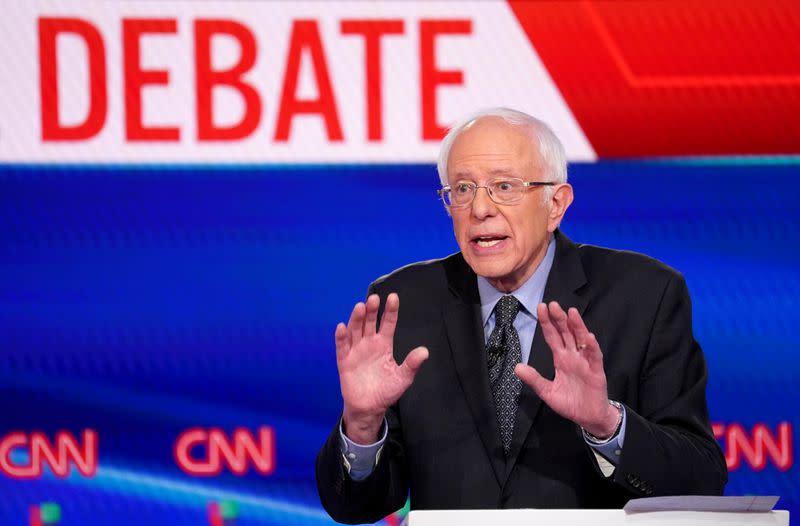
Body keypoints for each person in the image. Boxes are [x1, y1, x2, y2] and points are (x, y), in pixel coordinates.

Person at [316, 108, 727, 523]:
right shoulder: (403, 304)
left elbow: (702, 479)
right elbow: (355, 506)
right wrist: (362, 427)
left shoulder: (644, 296)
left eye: (503, 186)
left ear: (556, 204)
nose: (479, 209)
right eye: (462, 189)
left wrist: (606, 424)